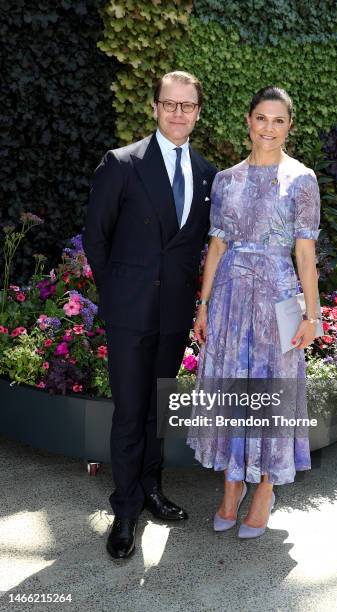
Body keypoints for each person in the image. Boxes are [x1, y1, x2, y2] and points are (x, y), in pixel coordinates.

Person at [83, 71, 217, 559]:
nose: (178, 113)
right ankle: (125, 510)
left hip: (174, 313)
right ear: (155, 108)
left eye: (187, 105)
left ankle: (153, 491)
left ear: (198, 112)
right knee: (130, 410)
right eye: (170, 104)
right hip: (130, 311)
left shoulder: (206, 174)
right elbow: (96, 237)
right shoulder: (122, 163)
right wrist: (117, 293)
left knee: (158, 408)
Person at [189, 86, 320, 539]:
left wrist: (313, 315)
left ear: (289, 126)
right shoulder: (226, 180)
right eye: (261, 118)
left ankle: (265, 487)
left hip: (280, 299)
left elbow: (305, 252)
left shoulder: (303, 179)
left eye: (278, 120)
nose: (269, 128)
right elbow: (217, 244)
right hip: (228, 297)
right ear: (248, 121)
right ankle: (232, 482)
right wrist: (203, 305)